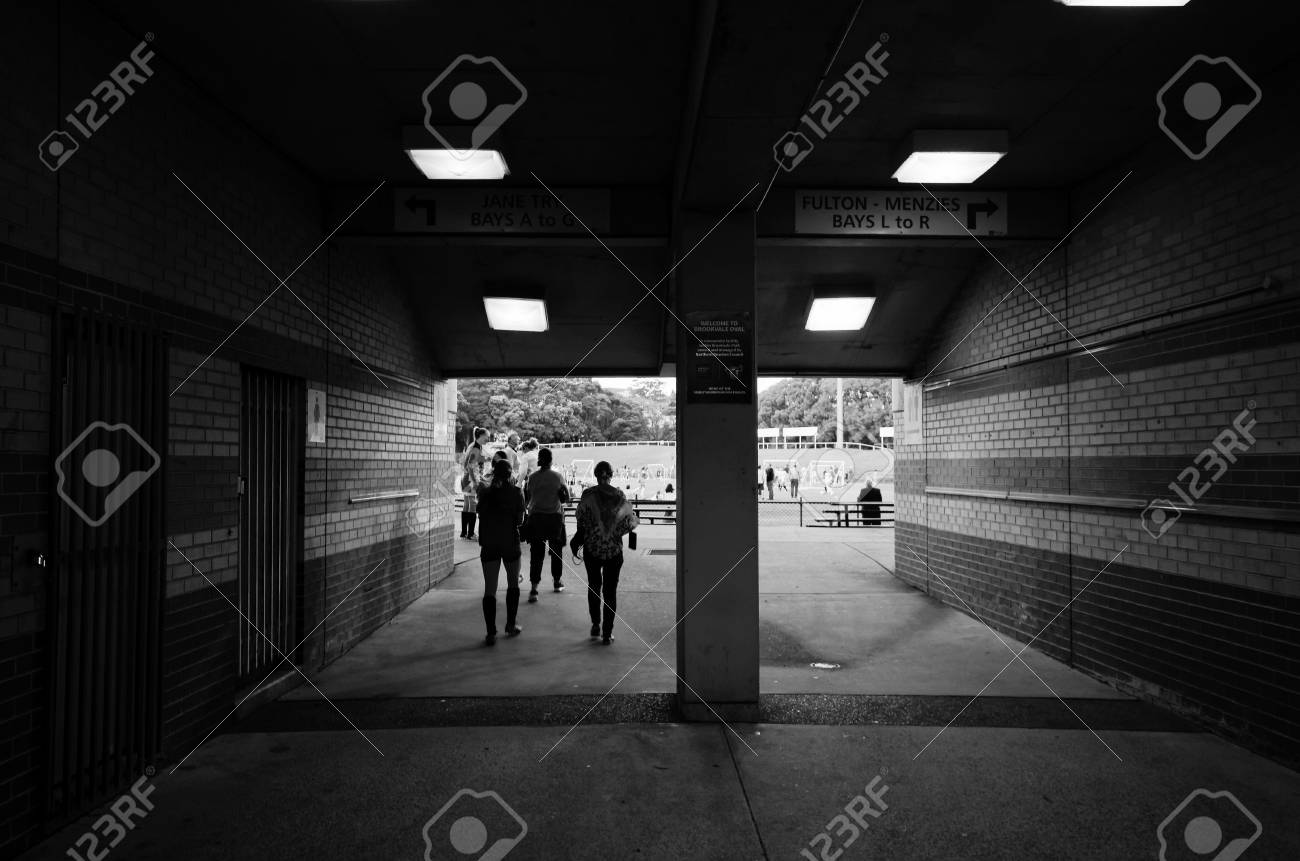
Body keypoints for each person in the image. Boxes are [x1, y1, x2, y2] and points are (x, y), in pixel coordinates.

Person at [575, 461, 639, 644]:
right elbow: (627, 524)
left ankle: (595, 624)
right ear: (611, 475)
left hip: (592, 549)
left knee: (594, 586)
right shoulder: (619, 495)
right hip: (613, 552)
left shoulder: (587, 495)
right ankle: (607, 632)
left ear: (596, 475)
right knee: (610, 591)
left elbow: (581, 520)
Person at [476, 459, 525, 645]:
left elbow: (480, 514)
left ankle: (491, 633)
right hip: (509, 542)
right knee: (513, 584)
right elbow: (520, 520)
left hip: (489, 542)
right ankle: (510, 625)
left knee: (490, 588)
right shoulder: (516, 492)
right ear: (510, 473)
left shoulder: (485, 492)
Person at [525, 447, 570, 602]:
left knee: (536, 554)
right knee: (556, 552)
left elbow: (528, 497)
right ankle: (557, 582)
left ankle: (534, 589)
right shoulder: (558, 477)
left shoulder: (532, 477)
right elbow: (566, 498)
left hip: (536, 518)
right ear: (551, 460)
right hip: (554, 518)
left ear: (539, 459)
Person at [460, 426, 490, 539]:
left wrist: (484, 459)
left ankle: (464, 532)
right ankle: (471, 534)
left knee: (467, 504)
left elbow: (472, 460)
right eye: (487, 436)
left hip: (466, 479)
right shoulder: (476, 447)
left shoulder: (473, 445)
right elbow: (470, 465)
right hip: (471, 480)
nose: (488, 438)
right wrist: (475, 481)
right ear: (481, 436)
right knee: (472, 505)